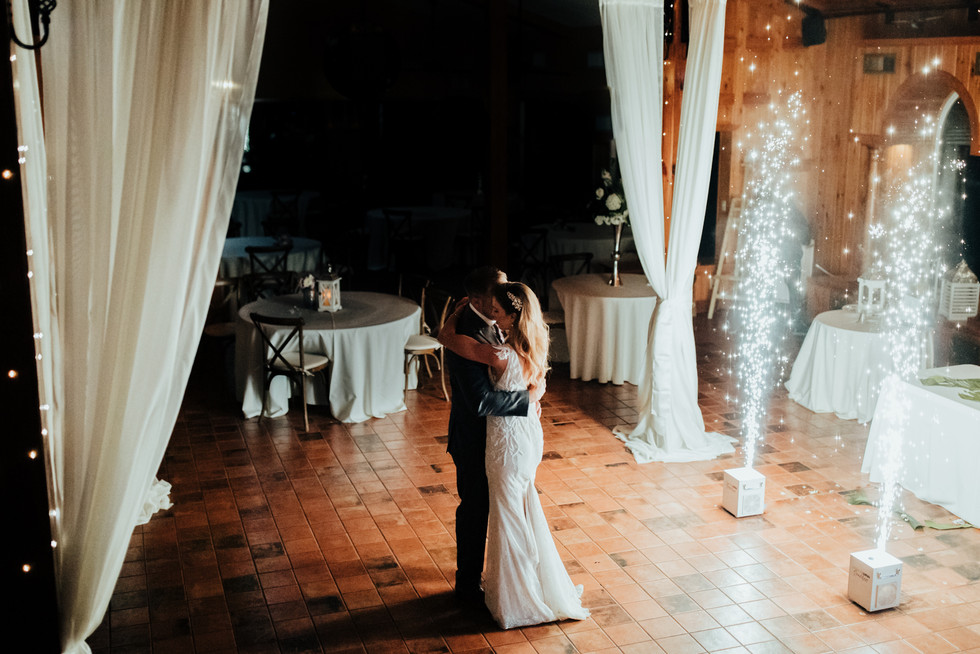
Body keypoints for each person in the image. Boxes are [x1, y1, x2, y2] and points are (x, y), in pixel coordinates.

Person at [439, 281, 590, 630]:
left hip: (507, 442)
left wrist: (453, 317)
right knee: (519, 509)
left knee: (509, 516)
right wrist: (532, 399)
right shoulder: (532, 345)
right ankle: (522, 586)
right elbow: (537, 387)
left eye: (497, 312)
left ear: (511, 316)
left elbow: (448, 339)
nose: (493, 317)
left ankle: (520, 597)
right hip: (523, 437)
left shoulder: (500, 354)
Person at [445, 267, 538, 607]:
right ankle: (467, 584)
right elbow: (481, 401)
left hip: (507, 439)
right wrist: (529, 400)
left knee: (511, 507)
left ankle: (512, 579)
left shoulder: (506, 323)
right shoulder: (466, 333)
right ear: (482, 301)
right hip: (475, 439)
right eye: (498, 299)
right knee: (475, 510)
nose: (503, 304)